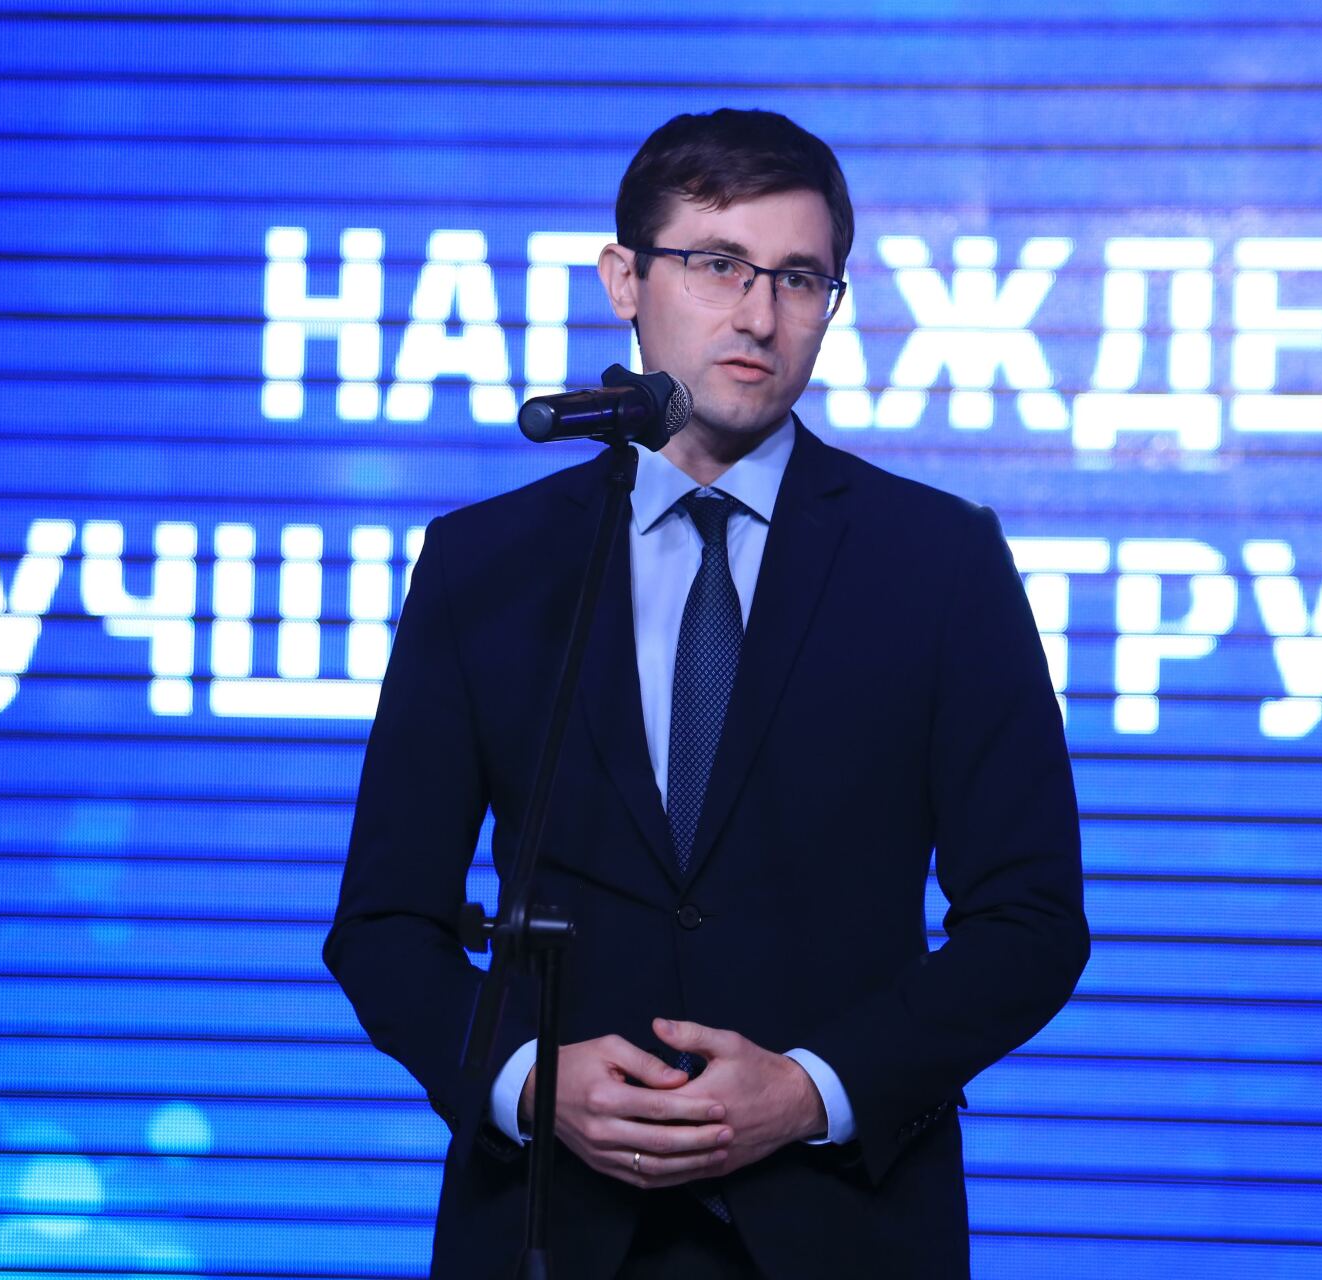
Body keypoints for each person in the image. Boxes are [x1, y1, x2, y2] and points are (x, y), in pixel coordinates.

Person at [325, 107, 1089, 1279]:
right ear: (625, 279)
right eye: (719, 264)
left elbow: (1032, 921)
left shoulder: (939, 561)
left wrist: (813, 1088)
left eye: (799, 278)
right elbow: (384, 924)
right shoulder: (490, 564)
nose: (759, 315)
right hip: (549, 1226)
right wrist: (528, 1078)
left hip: (840, 1226)